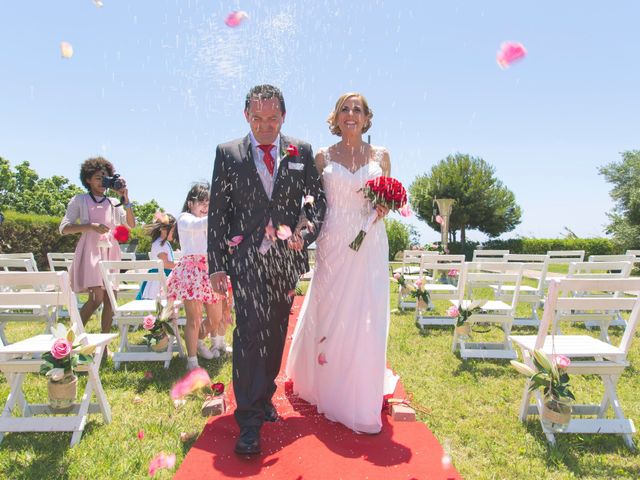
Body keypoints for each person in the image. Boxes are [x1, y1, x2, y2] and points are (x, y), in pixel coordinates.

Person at [208, 84, 326, 455]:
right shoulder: (228, 154)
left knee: (275, 332)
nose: (265, 126)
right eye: (257, 118)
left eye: (272, 118)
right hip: (245, 260)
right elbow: (218, 212)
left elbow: (316, 202)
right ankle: (248, 420)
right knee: (248, 333)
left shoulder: (300, 151)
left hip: (285, 261)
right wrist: (216, 265)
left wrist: (305, 233)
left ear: (283, 116)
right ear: (246, 116)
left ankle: (263, 397)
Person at [286, 92, 398, 434]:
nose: (351, 114)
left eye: (358, 109)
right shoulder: (321, 156)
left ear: (366, 118)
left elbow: (389, 194)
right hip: (334, 238)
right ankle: (327, 380)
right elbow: (312, 202)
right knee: (331, 306)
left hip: (370, 238)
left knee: (367, 308)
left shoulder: (382, 155)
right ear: (336, 117)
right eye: (345, 109)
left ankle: (360, 386)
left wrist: (384, 207)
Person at [60, 156, 135, 333]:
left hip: (110, 252)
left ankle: (104, 346)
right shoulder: (79, 200)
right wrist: (90, 226)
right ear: (88, 179)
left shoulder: (113, 202)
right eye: (98, 178)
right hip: (91, 252)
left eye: (105, 178)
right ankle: (72, 338)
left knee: (110, 298)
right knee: (96, 298)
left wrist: (126, 198)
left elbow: (130, 224)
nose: (102, 182)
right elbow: (63, 228)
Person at [167, 183, 225, 369]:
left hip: (211, 269)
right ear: (190, 202)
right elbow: (199, 224)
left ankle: (199, 341)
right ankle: (192, 361)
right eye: (202, 202)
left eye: (209, 203)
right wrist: (220, 211)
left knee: (215, 318)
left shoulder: (209, 220)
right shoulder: (184, 218)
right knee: (194, 318)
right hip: (192, 271)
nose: (205, 206)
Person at [137, 212, 176, 301]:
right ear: (163, 229)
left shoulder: (164, 243)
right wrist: (181, 264)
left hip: (161, 277)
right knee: (161, 305)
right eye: (173, 231)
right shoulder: (160, 244)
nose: (174, 234)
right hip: (159, 281)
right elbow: (165, 264)